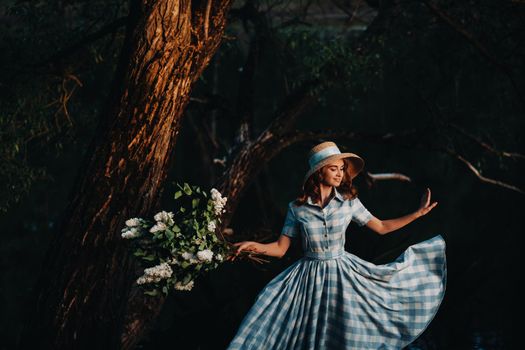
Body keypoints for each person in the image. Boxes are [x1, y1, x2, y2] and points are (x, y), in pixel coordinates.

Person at [226, 141, 447, 350]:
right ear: (319, 172)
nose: (341, 173)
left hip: (343, 274)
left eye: (342, 169)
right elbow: (280, 249)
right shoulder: (297, 208)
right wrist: (252, 246)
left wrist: (417, 214)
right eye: (334, 169)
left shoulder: (349, 203)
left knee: (345, 335)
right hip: (307, 279)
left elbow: (381, 226)